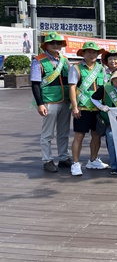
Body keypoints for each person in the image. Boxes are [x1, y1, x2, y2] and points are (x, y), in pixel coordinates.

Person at [31, 32, 72, 173]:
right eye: (52, 43)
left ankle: (64, 157)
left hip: (65, 101)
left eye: (58, 43)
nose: (56, 45)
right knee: (47, 134)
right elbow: (35, 84)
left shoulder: (65, 60)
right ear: (46, 45)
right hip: (49, 102)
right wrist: (40, 103)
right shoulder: (38, 61)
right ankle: (47, 160)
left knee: (64, 132)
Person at [68, 41, 109, 176]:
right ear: (83, 53)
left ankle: (93, 160)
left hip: (97, 108)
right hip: (82, 107)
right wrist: (75, 107)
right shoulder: (76, 68)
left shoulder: (101, 68)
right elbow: (72, 87)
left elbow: (105, 87)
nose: (92, 55)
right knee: (79, 135)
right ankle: (75, 163)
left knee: (96, 135)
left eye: (95, 52)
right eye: (89, 52)